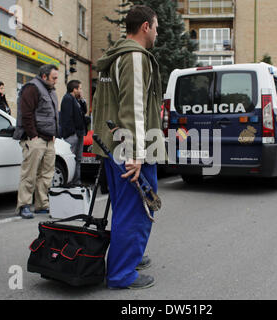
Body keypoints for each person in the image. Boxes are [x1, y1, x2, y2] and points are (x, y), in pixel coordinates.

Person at [92, 5, 164, 289]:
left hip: (114, 145)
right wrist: (135, 155)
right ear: (145, 27)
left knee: (126, 208)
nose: (157, 33)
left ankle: (130, 256)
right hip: (131, 149)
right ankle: (122, 274)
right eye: (156, 27)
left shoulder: (115, 57)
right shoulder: (135, 57)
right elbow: (133, 108)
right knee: (136, 209)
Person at [13, 64, 60, 219]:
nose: (56, 81)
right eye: (54, 78)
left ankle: (41, 204)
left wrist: (54, 134)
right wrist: (33, 135)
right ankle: (24, 205)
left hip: (49, 139)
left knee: (46, 174)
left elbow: (52, 115)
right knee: (30, 173)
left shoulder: (50, 90)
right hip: (35, 138)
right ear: (44, 76)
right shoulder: (32, 88)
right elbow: (26, 114)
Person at [60, 80, 87, 185]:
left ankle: (77, 181)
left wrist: (82, 100)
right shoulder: (67, 99)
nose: (81, 90)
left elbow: (83, 111)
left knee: (78, 159)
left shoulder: (76, 100)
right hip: (73, 134)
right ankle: (71, 181)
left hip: (80, 133)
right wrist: (72, 133)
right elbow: (67, 118)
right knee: (71, 158)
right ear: (74, 89)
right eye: (79, 88)